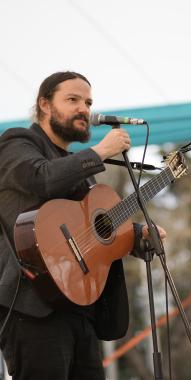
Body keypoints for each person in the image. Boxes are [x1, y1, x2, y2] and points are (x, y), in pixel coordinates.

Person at [0, 71, 165, 379]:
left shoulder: (80, 171)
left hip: (80, 307)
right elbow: (43, 178)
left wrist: (138, 232)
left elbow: (94, 228)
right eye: (72, 100)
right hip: (33, 306)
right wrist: (100, 151)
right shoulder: (16, 142)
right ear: (45, 105)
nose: (84, 110)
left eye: (88, 102)